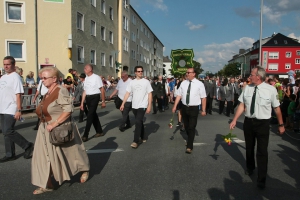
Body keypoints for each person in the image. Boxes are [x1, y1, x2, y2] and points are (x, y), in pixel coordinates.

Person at [31, 66, 89, 194]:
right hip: (45, 128)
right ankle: (47, 184)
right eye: (41, 78)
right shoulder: (47, 92)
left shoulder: (61, 90)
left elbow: (68, 110)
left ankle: (84, 169)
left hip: (60, 127)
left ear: (54, 79)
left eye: (45, 78)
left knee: (73, 151)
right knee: (42, 156)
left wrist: (55, 123)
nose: (43, 81)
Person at [229, 66, 285, 189]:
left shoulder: (270, 90)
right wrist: (234, 120)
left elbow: (276, 108)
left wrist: (281, 124)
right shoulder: (247, 88)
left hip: (263, 124)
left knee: (262, 151)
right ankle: (250, 167)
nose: (249, 77)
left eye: (251, 75)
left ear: (258, 77)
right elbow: (242, 105)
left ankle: (262, 178)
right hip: (249, 122)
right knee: (249, 148)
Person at [0, 56, 34, 163]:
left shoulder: (16, 77)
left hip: (11, 108)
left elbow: (18, 94)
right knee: (5, 133)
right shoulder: (3, 77)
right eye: (4, 64)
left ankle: (27, 145)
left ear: (13, 65)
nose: (5, 66)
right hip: (2, 108)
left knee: (8, 130)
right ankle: (10, 154)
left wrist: (19, 110)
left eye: (8, 64)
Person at [172, 68, 207, 154]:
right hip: (184, 107)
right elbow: (179, 95)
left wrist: (203, 110)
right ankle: (190, 139)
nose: (187, 74)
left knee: (192, 126)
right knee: (186, 126)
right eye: (186, 72)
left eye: (188, 72)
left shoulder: (199, 84)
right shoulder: (183, 83)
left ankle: (189, 146)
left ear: (194, 74)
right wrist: (175, 106)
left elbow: (203, 97)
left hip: (194, 108)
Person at [120, 66, 152, 149]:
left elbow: (150, 94)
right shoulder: (132, 82)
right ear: (135, 72)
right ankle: (144, 136)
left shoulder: (146, 82)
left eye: (141, 71)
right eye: (138, 71)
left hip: (143, 105)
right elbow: (127, 93)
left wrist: (149, 105)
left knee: (138, 121)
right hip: (134, 105)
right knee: (139, 122)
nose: (140, 72)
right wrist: (123, 104)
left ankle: (135, 141)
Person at [80, 64, 106, 142]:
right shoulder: (86, 78)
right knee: (93, 114)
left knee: (90, 115)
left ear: (90, 69)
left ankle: (85, 135)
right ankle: (99, 131)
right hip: (88, 98)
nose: (84, 69)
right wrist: (82, 103)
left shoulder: (96, 77)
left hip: (95, 97)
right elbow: (85, 91)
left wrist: (103, 101)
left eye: (85, 68)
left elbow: (102, 89)